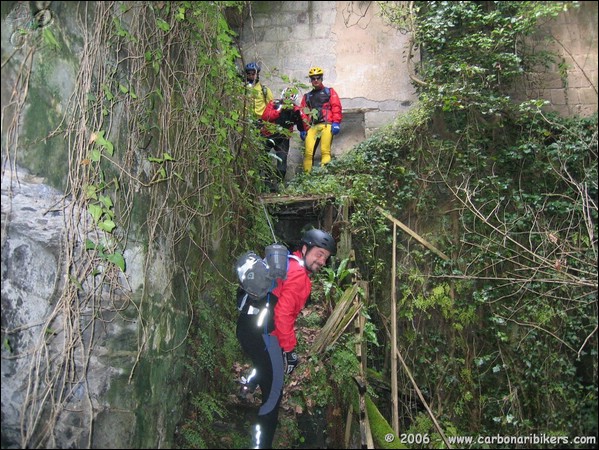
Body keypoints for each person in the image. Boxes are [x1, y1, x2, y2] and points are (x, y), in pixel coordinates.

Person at [236, 229, 337, 449]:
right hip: (263, 333)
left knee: (265, 365)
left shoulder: (288, 264)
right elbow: (282, 315)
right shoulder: (299, 275)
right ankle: (261, 444)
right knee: (273, 394)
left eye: (325, 257)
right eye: (319, 254)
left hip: (248, 327)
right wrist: (290, 351)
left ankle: (248, 384)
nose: (322, 260)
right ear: (305, 248)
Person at [261, 87, 309, 188]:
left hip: (283, 138)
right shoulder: (274, 104)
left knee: (282, 165)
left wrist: (303, 129)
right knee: (263, 160)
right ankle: (265, 183)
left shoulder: (296, 109)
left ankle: (278, 186)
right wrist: (280, 109)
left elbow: (303, 122)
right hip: (268, 135)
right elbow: (266, 117)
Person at [299, 67, 343, 172]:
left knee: (325, 151)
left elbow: (336, 107)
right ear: (310, 80)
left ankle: (324, 175)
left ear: (321, 78)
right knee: (308, 153)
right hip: (312, 126)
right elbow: (303, 112)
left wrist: (336, 122)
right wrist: (303, 128)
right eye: (313, 79)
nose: (316, 80)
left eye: (318, 78)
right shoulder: (307, 96)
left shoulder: (329, 91)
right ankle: (306, 178)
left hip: (326, 124)